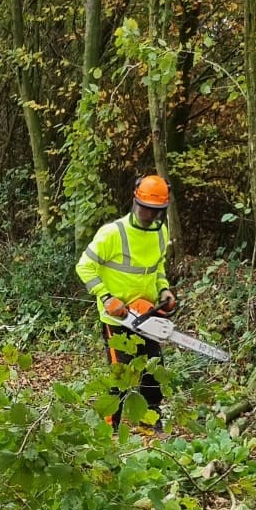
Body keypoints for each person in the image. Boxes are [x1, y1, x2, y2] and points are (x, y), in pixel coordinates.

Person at [76, 174, 176, 432]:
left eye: (156, 211)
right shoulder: (113, 233)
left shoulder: (161, 233)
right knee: (121, 374)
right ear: (135, 201)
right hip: (119, 318)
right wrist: (107, 297)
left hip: (148, 313)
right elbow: (85, 267)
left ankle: (149, 420)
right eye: (145, 208)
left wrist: (164, 291)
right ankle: (110, 425)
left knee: (153, 369)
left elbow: (158, 268)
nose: (149, 214)